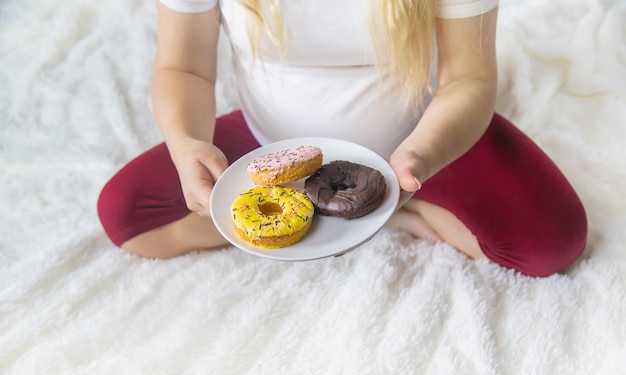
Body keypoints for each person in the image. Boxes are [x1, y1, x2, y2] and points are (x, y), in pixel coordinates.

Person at [97, 0, 588, 277]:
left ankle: (397, 206)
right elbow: (183, 66)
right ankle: (359, 213)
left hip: (421, 143)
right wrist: (187, 144)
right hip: (270, 144)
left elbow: (469, 80)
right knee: (126, 217)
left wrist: (422, 155)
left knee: (551, 246)